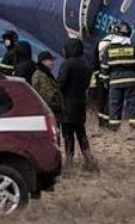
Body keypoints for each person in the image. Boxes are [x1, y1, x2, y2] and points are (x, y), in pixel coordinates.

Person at [58, 38, 97, 169]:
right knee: (81, 132)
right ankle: (88, 159)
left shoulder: (67, 64)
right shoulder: (85, 64)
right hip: (80, 102)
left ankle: (69, 161)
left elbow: (61, 83)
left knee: (68, 134)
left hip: (67, 104)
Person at [101, 21, 135, 130]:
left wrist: (106, 82)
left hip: (114, 82)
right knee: (133, 104)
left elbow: (104, 68)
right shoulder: (134, 47)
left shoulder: (108, 49)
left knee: (115, 105)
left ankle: (114, 128)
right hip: (131, 81)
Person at [91, 23, 120, 128]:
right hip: (114, 76)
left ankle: (102, 123)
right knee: (112, 100)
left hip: (101, 76)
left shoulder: (101, 42)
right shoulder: (120, 44)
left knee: (102, 100)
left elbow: (95, 62)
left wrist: (98, 75)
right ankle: (111, 124)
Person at [31, 51, 64, 124]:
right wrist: (58, 106)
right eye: (50, 60)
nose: (52, 63)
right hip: (50, 113)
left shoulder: (45, 74)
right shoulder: (41, 76)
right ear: (43, 62)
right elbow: (48, 96)